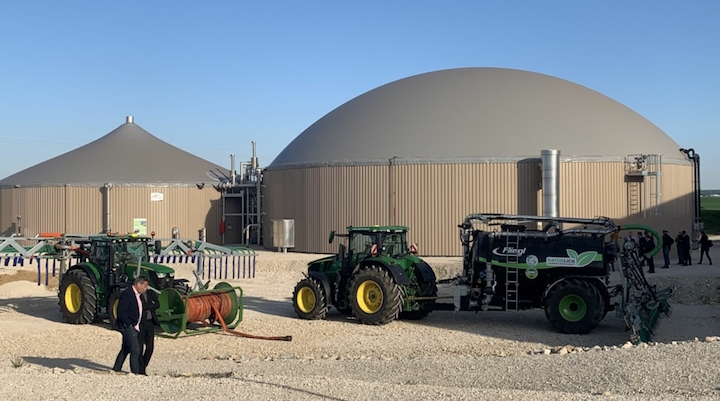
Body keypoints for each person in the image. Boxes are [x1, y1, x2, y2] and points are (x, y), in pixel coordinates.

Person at [112, 275, 149, 375]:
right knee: (135, 349)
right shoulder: (128, 294)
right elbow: (121, 311)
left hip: (135, 325)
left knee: (125, 348)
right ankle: (135, 372)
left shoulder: (137, 295)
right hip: (128, 326)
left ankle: (116, 368)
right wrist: (128, 324)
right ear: (138, 284)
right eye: (144, 286)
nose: (146, 289)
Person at [139, 286, 160, 375]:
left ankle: (143, 365)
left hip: (150, 322)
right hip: (140, 324)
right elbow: (140, 306)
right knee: (139, 348)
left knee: (150, 347)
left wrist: (146, 306)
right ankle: (140, 369)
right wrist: (150, 305)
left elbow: (157, 304)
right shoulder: (137, 295)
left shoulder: (151, 293)